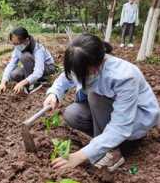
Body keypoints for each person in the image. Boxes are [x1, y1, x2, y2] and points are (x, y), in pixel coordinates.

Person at [43, 34, 159, 172]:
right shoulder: (83, 65)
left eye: (82, 74)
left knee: (94, 96)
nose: (77, 77)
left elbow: (120, 127)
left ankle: (115, 150)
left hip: (134, 120)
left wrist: (80, 156)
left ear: (96, 67)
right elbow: (66, 77)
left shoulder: (124, 77)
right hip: (107, 112)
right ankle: (104, 142)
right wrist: (54, 93)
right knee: (72, 114)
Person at [0, 27, 55, 94]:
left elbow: (38, 72)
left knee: (25, 57)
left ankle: (34, 84)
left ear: (26, 40)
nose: (16, 46)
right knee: (14, 74)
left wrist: (22, 83)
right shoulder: (17, 48)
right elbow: (11, 64)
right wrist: (3, 82)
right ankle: (32, 79)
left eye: (17, 43)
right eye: (14, 44)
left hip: (47, 67)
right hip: (32, 68)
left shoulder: (38, 49)